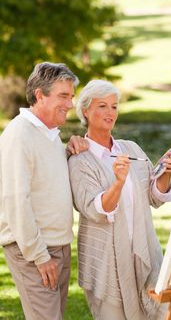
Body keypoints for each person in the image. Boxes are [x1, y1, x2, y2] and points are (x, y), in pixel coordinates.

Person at [68, 79, 171, 320]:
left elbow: (154, 194)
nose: (110, 113)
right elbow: (95, 210)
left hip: (142, 249)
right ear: (85, 111)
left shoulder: (130, 148)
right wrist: (118, 182)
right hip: (106, 260)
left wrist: (166, 172)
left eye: (114, 106)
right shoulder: (80, 160)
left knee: (158, 312)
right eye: (102, 106)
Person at [0, 62, 87, 320]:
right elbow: (15, 200)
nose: (70, 104)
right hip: (34, 249)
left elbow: (47, 181)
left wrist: (69, 153)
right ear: (40, 95)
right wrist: (39, 255)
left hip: (58, 244)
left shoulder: (49, 135)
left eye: (71, 97)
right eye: (63, 96)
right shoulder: (20, 134)